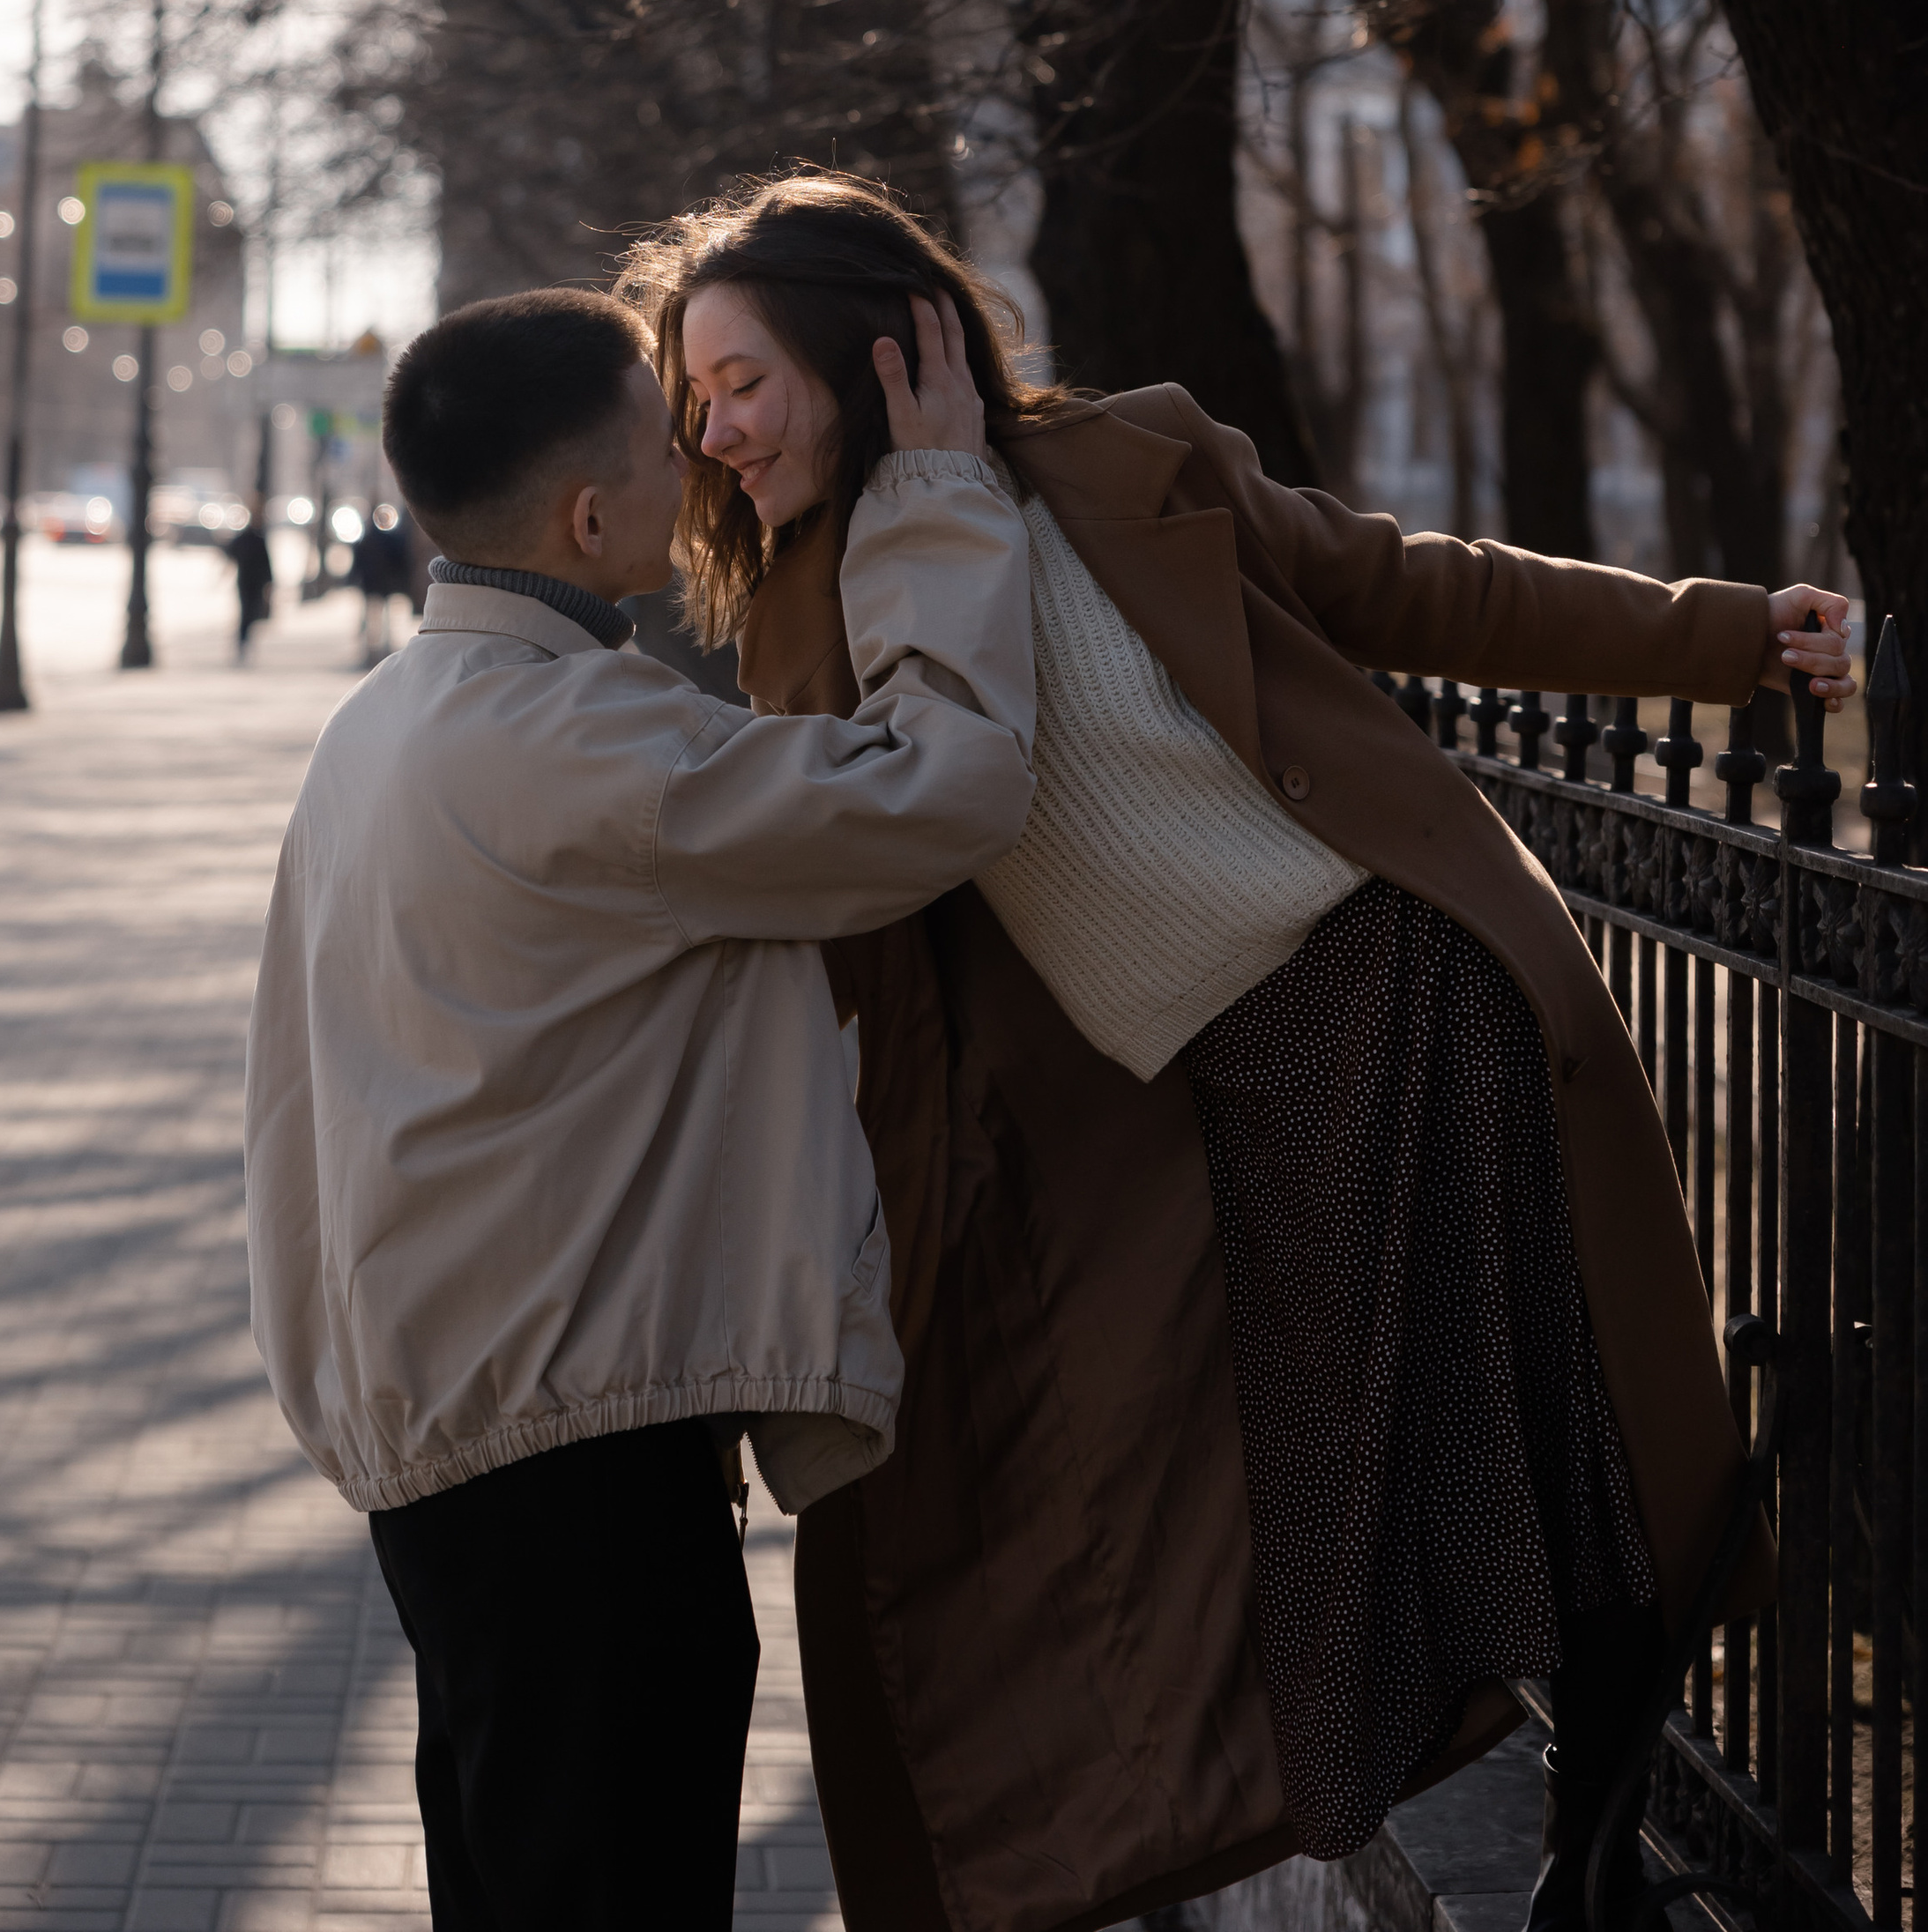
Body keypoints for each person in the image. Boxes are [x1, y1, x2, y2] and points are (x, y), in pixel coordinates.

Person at [617, 172, 1856, 1932]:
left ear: (871, 345)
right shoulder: (799, 619)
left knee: (1556, 1450)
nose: (712, 427)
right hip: (1218, 1114)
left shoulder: (1130, 459)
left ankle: (1596, 1857)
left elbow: (1408, 587)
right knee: (1338, 1523)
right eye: (693, 399)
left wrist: (1718, 634)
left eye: (738, 381)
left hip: (1410, 999)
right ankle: (1422, 1838)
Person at [242, 284, 1038, 1932]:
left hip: (450, 1435)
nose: (701, 467)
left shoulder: (377, 726)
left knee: (518, 1871)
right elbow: (940, 788)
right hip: (576, 1476)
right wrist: (947, 498)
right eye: (667, 446)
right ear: (591, 516)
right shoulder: (586, 743)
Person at [348, 498, 415, 663]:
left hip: (372, 585)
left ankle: (373, 651)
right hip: (380, 585)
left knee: (375, 619)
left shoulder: (366, 539)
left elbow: (358, 563)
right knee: (380, 620)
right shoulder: (389, 538)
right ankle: (380, 649)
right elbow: (400, 560)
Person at [226, 494, 274, 664]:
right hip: (249, 582)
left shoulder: (252, 538)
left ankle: (244, 642)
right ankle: (243, 642)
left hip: (249, 581)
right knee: (248, 613)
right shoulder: (252, 538)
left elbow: (231, 553)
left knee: (248, 613)